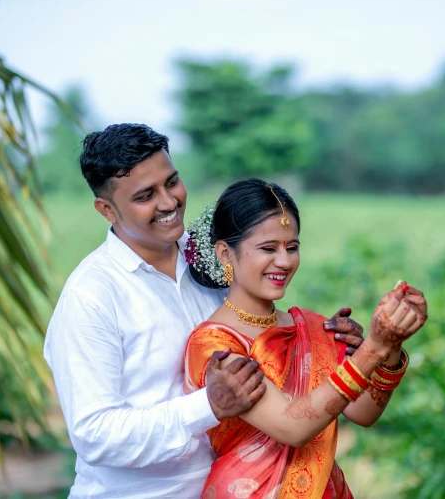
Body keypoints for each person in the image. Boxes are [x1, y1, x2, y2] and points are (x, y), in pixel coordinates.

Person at [43, 123, 366, 499]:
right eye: (146, 195)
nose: (168, 202)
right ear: (107, 209)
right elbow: (94, 435)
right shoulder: (92, 295)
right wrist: (208, 406)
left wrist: (333, 345)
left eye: (172, 182)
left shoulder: (212, 254)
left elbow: (266, 343)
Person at [183, 179, 428, 499]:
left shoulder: (311, 327)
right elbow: (292, 428)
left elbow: (364, 413)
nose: (284, 261)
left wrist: (392, 345)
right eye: (268, 248)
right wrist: (374, 347)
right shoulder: (214, 345)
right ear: (225, 254)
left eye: (293, 247)